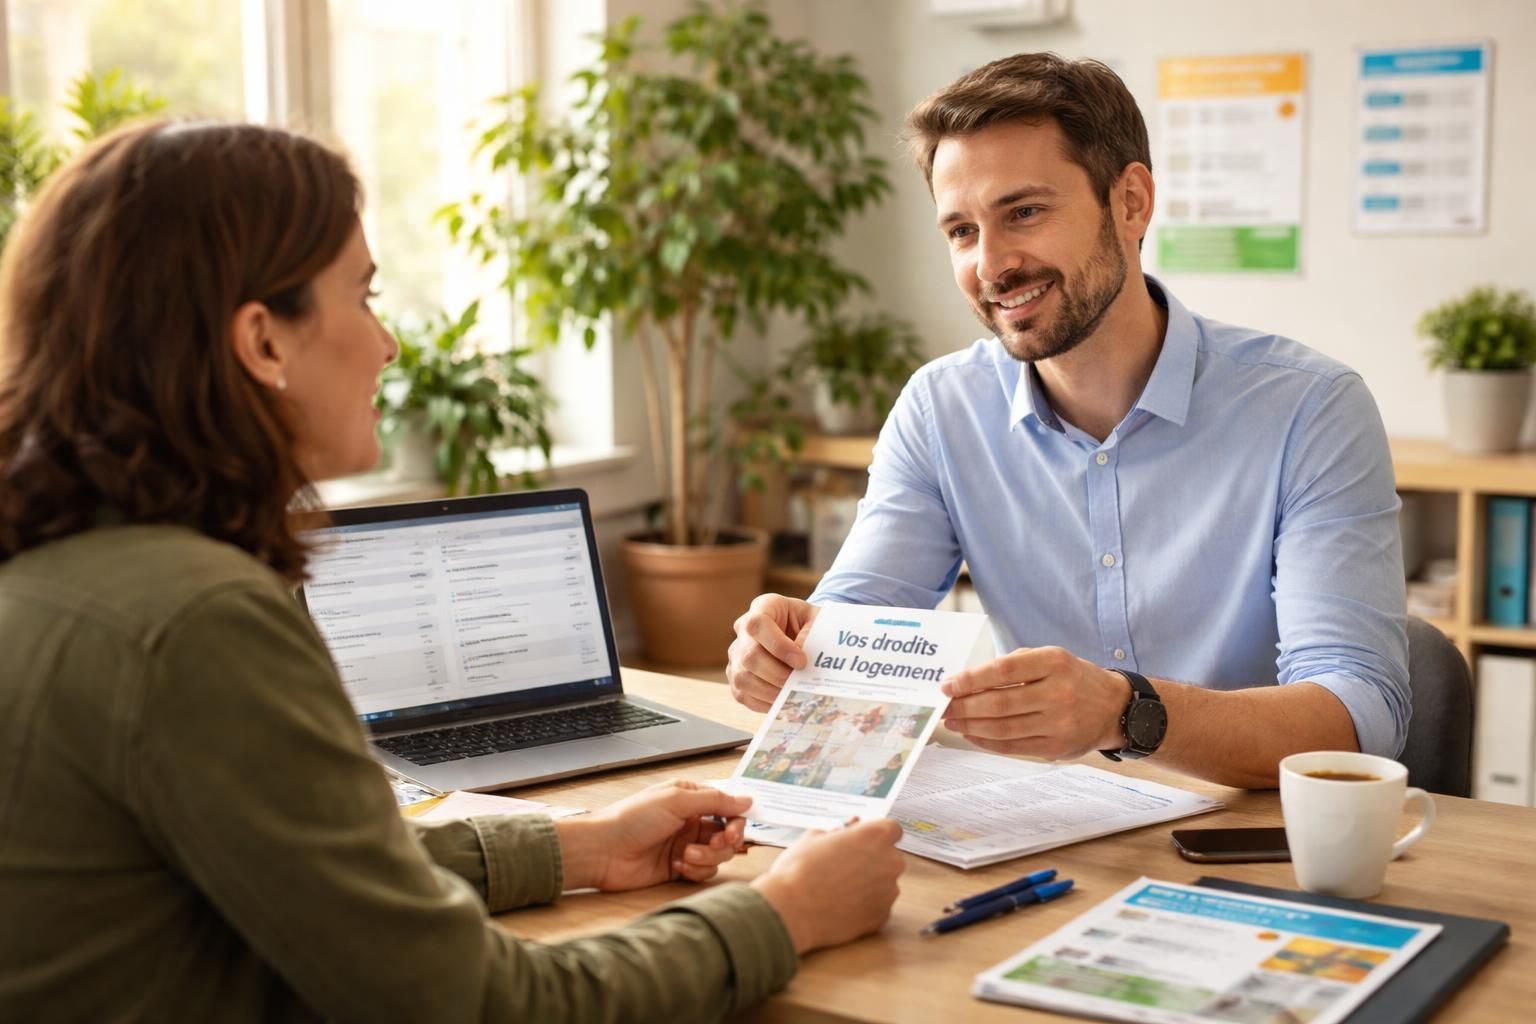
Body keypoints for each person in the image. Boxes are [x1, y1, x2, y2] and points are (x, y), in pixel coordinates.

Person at [0, 120, 905, 1022]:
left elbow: (325, 874)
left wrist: (581, 848)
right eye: (363, 297)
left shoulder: (65, 565)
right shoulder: (197, 623)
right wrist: (782, 914)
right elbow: (481, 1004)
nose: (388, 345)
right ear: (263, 342)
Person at [726, 53, 1408, 790]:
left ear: (1132, 202)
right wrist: (795, 647)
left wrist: (1126, 712)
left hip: (1251, 832)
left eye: (1023, 212)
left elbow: (1357, 713)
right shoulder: (940, 408)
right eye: (961, 231)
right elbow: (859, 616)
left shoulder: (1310, 408)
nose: (991, 265)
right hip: (1046, 825)